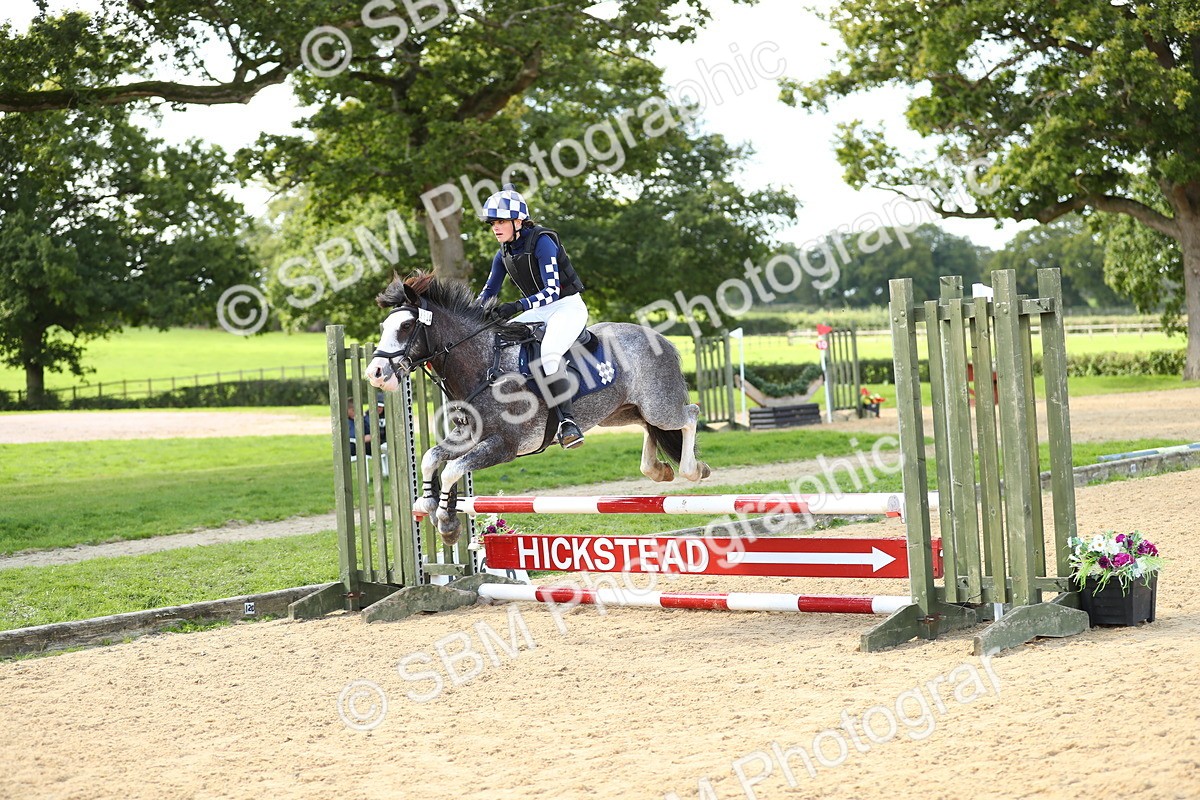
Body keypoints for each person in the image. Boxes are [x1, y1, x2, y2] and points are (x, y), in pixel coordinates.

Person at [476, 184, 588, 449]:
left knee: (549, 354)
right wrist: (472, 316)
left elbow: (551, 291)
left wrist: (515, 306)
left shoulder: (543, 242)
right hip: (538, 309)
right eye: (493, 222)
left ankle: (568, 423)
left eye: (501, 221)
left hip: (566, 306)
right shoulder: (502, 253)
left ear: (518, 220)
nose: (495, 227)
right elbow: (489, 290)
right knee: (497, 341)